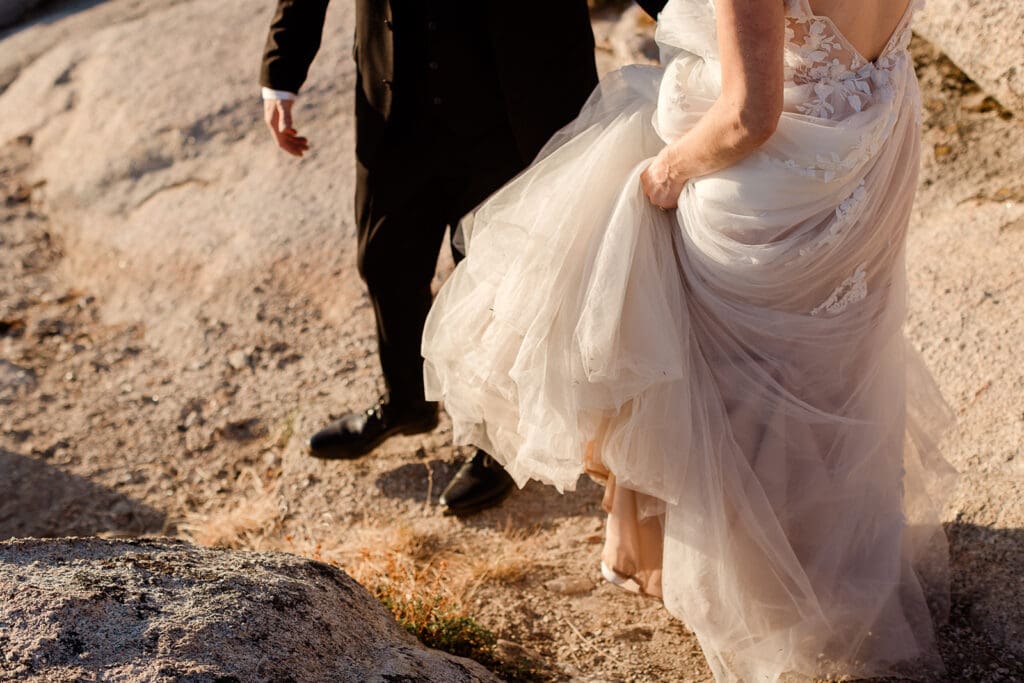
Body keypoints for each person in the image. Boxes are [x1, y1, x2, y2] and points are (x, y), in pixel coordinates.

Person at [422, 0, 957, 680]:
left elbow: (748, 117)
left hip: (773, 190)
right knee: (829, 368)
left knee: (723, 372)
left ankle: (758, 594)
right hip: (871, 149)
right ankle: (828, 571)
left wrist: (666, 171)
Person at [259, 0, 669, 514]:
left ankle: (495, 441)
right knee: (384, 258)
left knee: (498, 282)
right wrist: (282, 73)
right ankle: (407, 402)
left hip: (513, 103)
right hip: (395, 96)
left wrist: (717, 30)